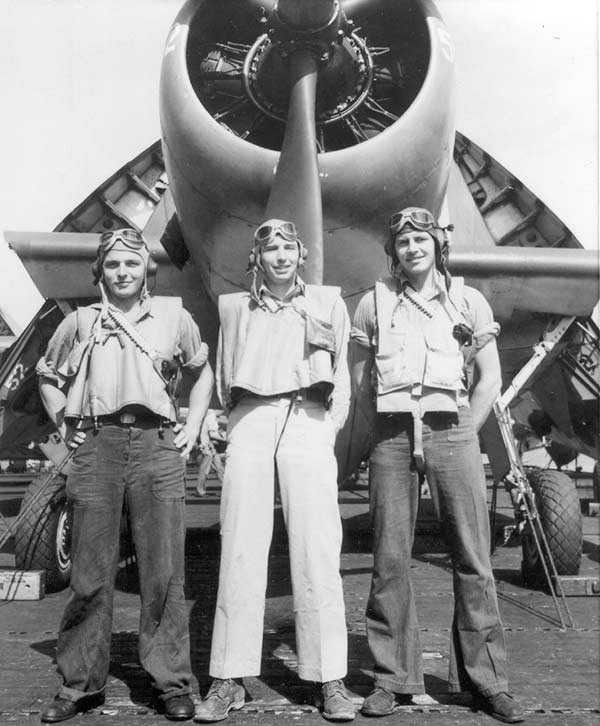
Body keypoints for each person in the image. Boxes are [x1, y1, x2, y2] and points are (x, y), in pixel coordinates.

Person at [351, 207, 525, 723]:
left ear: (437, 245)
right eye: (402, 242)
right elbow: (362, 383)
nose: (412, 248)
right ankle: (391, 679)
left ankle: (486, 681)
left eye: (420, 239)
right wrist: (384, 433)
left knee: (473, 557)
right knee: (389, 558)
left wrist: (466, 433)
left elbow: (489, 377)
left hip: (453, 430)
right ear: (394, 253)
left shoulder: (468, 301)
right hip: (393, 437)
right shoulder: (372, 306)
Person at [37, 228, 214, 723]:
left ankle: (171, 682)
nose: (122, 273)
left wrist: (194, 423)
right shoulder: (80, 322)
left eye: (131, 265)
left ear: (146, 271)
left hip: (157, 446)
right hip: (98, 445)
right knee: (91, 572)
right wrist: (63, 422)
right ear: (101, 271)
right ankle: (80, 684)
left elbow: (202, 372)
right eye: (113, 265)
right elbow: (48, 377)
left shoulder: (175, 318)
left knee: (164, 571)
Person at [194, 219, 354, 723]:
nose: (281, 257)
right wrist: (240, 423)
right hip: (252, 417)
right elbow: (223, 373)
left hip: (310, 416)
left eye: (289, 248)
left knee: (317, 546)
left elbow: (343, 373)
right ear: (257, 259)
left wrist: (326, 429)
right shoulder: (234, 308)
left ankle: (329, 677)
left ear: (300, 255)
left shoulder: (328, 301)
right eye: (271, 250)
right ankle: (228, 677)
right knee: (240, 544)